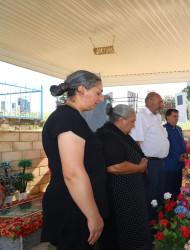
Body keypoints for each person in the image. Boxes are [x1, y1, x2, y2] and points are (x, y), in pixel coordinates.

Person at [41, 70, 108, 249]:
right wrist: (93, 215)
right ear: (81, 89)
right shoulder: (66, 118)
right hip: (72, 207)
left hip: (77, 206)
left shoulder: (73, 117)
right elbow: (72, 173)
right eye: (98, 92)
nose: (101, 98)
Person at [96, 104, 151, 249]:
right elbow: (115, 166)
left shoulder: (120, 133)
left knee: (135, 228)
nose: (134, 125)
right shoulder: (108, 135)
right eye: (132, 121)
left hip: (130, 193)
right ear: (121, 119)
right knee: (123, 232)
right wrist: (140, 167)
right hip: (119, 196)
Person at [130, 92, 169, 221]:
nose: (162, 105)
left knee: (160, 192)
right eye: (160, 102)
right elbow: (136, 142)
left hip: (161, 162)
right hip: (150, 162)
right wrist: (143, 163)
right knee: (150, 194)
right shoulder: (141, 116)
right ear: (150, 102)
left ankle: (160, 222)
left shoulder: (157, 117)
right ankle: (150, 224)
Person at [163, 109, 188, 199]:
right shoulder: (164, 129)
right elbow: (166, 146)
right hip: (170, 164)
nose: (177, 118)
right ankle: (169, 209)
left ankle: (177, 207)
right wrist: (177, 157)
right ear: (167, 117)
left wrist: (186, 153)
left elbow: (183, 143)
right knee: (169, 189)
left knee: (178, 188)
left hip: (179, 164)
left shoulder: (178, 128)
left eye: (177, 116)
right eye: (174, 116)